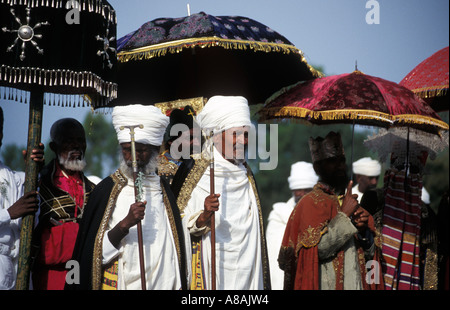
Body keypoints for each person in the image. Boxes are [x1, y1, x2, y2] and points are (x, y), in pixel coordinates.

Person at [68, 104, 187, 290]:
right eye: (126, 149)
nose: (133, 157)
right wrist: (124, 225)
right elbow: (92, 257)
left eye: (140, 150)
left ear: (156, 148)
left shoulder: (165, 192)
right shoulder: (106, 191)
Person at [173, 95, 270, 290]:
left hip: (247, 272)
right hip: (209, 274)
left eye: (246, 134)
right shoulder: (195, 170)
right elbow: (176, 227)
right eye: (236, 134)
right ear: (217, 135)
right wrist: (203, 217)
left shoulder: (248, 175)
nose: (242, 141)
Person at [278, 131, 380, 290]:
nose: (340, 166)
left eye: (342, 161)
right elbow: (316, 251)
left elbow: (370, 258)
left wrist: (363, 231)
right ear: (317, 167)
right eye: (332, 161)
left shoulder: (351, 202)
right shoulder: (309, 203)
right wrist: (344, 216)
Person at [32, 118, 96, 290]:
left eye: (80, 141)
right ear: (54, 147)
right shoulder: (40, 185)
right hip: (50, 279)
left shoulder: (94, 189)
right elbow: (35, 243)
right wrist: (79, 235)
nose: (76, 146)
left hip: (84, 277)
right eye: (69, 141)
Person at [0, 106, 42, 290]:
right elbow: (15, 211)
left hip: (15, 270)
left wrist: (34, 170)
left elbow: (32, 218)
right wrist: (9, 213)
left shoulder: (11, 176)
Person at [266, 161, 318, 289]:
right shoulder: (278, 216)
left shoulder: (321, 215)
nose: (302, 194)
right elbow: (273, 258)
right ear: (293, 191)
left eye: (307, 190)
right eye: (298, 190)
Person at [158, 105, 202, 184]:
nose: (197, 143)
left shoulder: (201, 162)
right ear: (171, 141)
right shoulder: (161, 168)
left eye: (198, 138)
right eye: (190, 138)